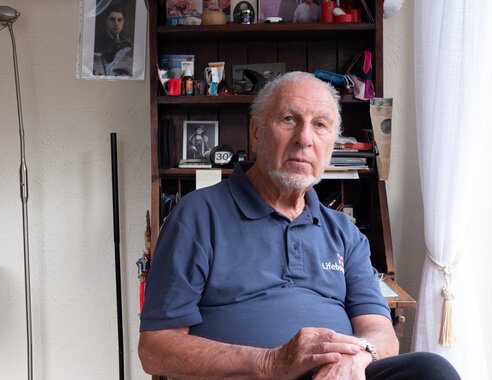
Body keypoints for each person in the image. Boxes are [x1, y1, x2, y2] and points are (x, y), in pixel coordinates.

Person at [138, 72, 460, 380]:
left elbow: (379, 329)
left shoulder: (345, 233)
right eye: (289, 119)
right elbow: (155, 348)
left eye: (320, 125)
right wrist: (272, 362)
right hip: (248, 375)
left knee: (431, 371)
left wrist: (359, 359)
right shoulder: (197, 216)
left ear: (332, 144)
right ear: (257, 132)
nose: (304, 139)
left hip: (338, 375)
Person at [93, 7, 133, 76]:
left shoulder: (127, 42)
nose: (116, 24)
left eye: (120, 20)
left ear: (123, 22)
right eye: (112, 19)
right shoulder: (97, 41)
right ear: (106, 21)